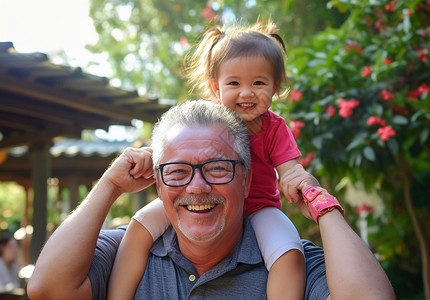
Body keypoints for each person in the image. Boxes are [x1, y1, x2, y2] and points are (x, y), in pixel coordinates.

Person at [27, 100, 395, 300]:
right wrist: (109, 184)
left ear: (248, 179)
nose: (197, 186)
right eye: (177, 171)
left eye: (218, 168)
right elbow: (47, 289)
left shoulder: (288, 260)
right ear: (157, 183)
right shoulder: (129, 250)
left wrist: (321, 204)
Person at [109, 20, 328, 300]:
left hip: (259, 207)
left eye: (259, 83)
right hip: (202, 196)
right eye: (234, 83)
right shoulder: (207, 119)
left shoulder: (274, 128)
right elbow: (176, 150)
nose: (246, 92)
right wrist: (148, 158)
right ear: (216, 87)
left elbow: (290, 170)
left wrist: (301, 183)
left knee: (288, 250)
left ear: (275, 87)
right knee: (140, 223)